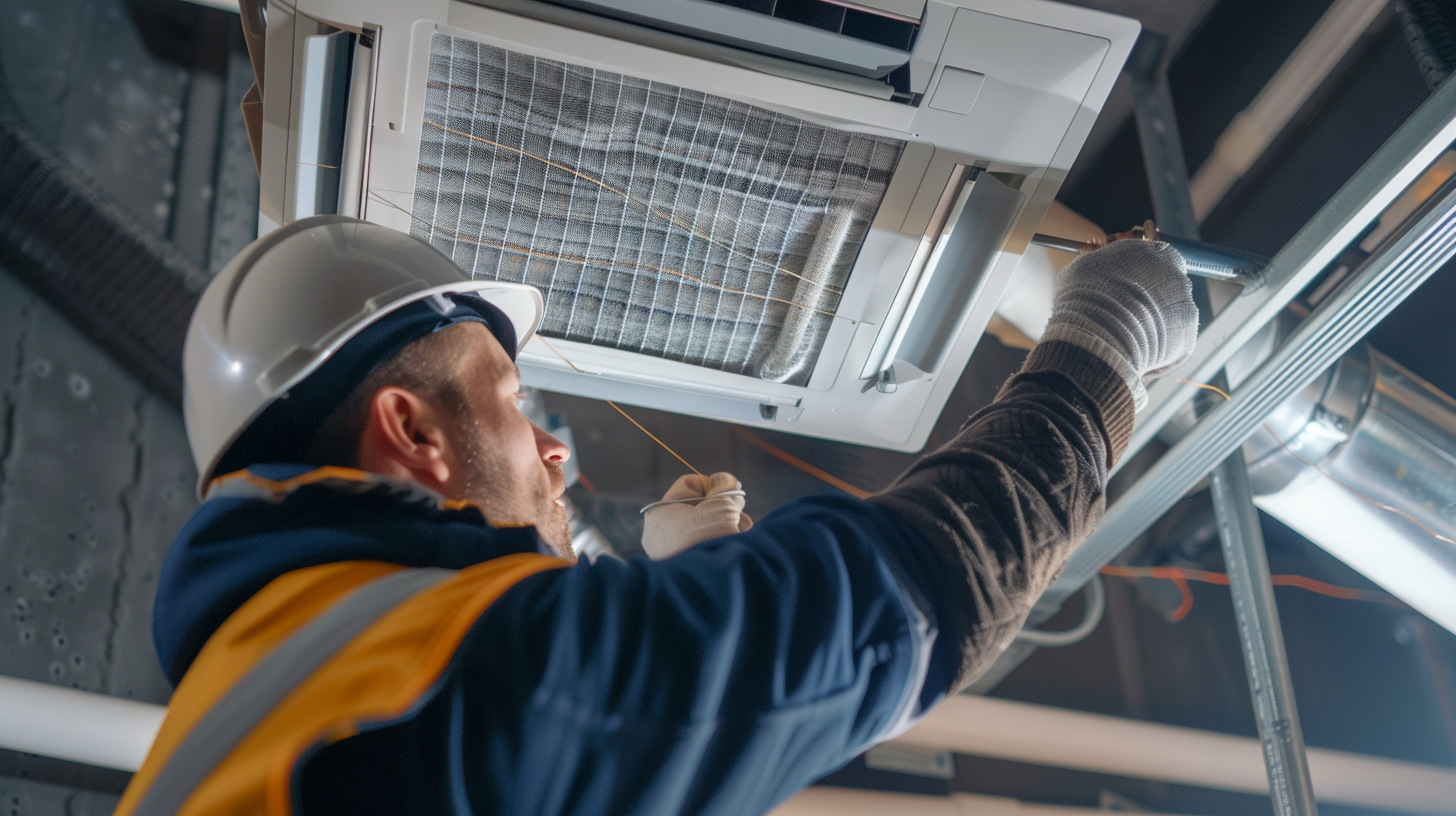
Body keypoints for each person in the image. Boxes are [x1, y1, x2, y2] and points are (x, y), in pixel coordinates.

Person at [115, 215, 1197, 816]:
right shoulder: (429, 670)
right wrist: (1101, 351)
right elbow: (906, 596)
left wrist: (666, 598)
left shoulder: (285, 679)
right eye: (511, 404)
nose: (552, 451)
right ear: (414, 434)